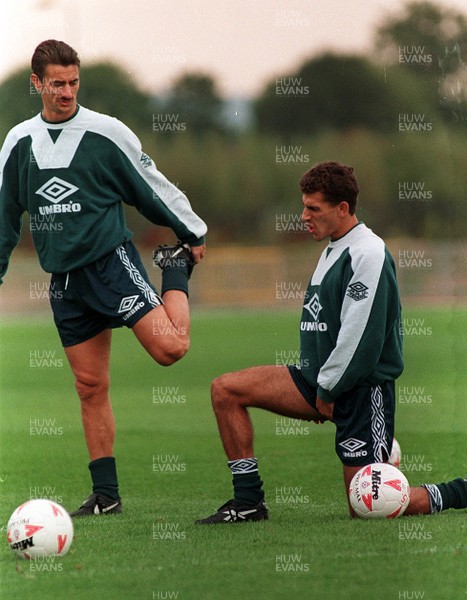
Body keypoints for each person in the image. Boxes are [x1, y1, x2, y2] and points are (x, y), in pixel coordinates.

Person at [0, 40, 207, 517]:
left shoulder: (106, 132)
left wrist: (190, 229)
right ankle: (107, 497)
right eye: (57, 83)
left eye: (73, 82)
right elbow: (5, 216)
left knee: (171, 350)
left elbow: (150, 185)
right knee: (90, 387)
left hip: (110, 264)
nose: (67, 91)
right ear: (36, 83)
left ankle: (173, 269)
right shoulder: (19, 143)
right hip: (65, 283)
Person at [196, 161, 466, 523]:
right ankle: (248, 502)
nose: (303, 216)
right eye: (304, 206)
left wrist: (328, 389)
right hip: (317, 381)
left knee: (368, 508)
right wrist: (320, 385)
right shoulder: (334, 248)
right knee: (226, 390)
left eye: (313, 208)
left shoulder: (368, 253)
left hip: (359, 391)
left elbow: (361, 337)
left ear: (342, 209)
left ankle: (458, 490)